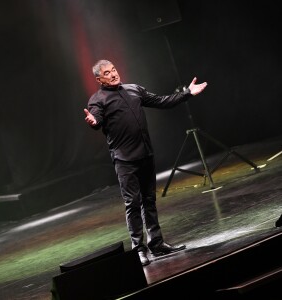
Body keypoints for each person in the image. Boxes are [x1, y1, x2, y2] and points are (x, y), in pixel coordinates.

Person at [84, 59, 207, 266]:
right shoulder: (98, 100)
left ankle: (156, 244)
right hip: (124, 160)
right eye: (107, 73)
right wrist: (94, 122)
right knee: (132, 203)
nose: (113, 74)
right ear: (99, 79)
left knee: (149, 200)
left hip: (145, 155)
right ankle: (138, 250)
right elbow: (96, 119)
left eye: (114, 69)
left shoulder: (134, 90)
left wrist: (187, 93)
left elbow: (161, 101)